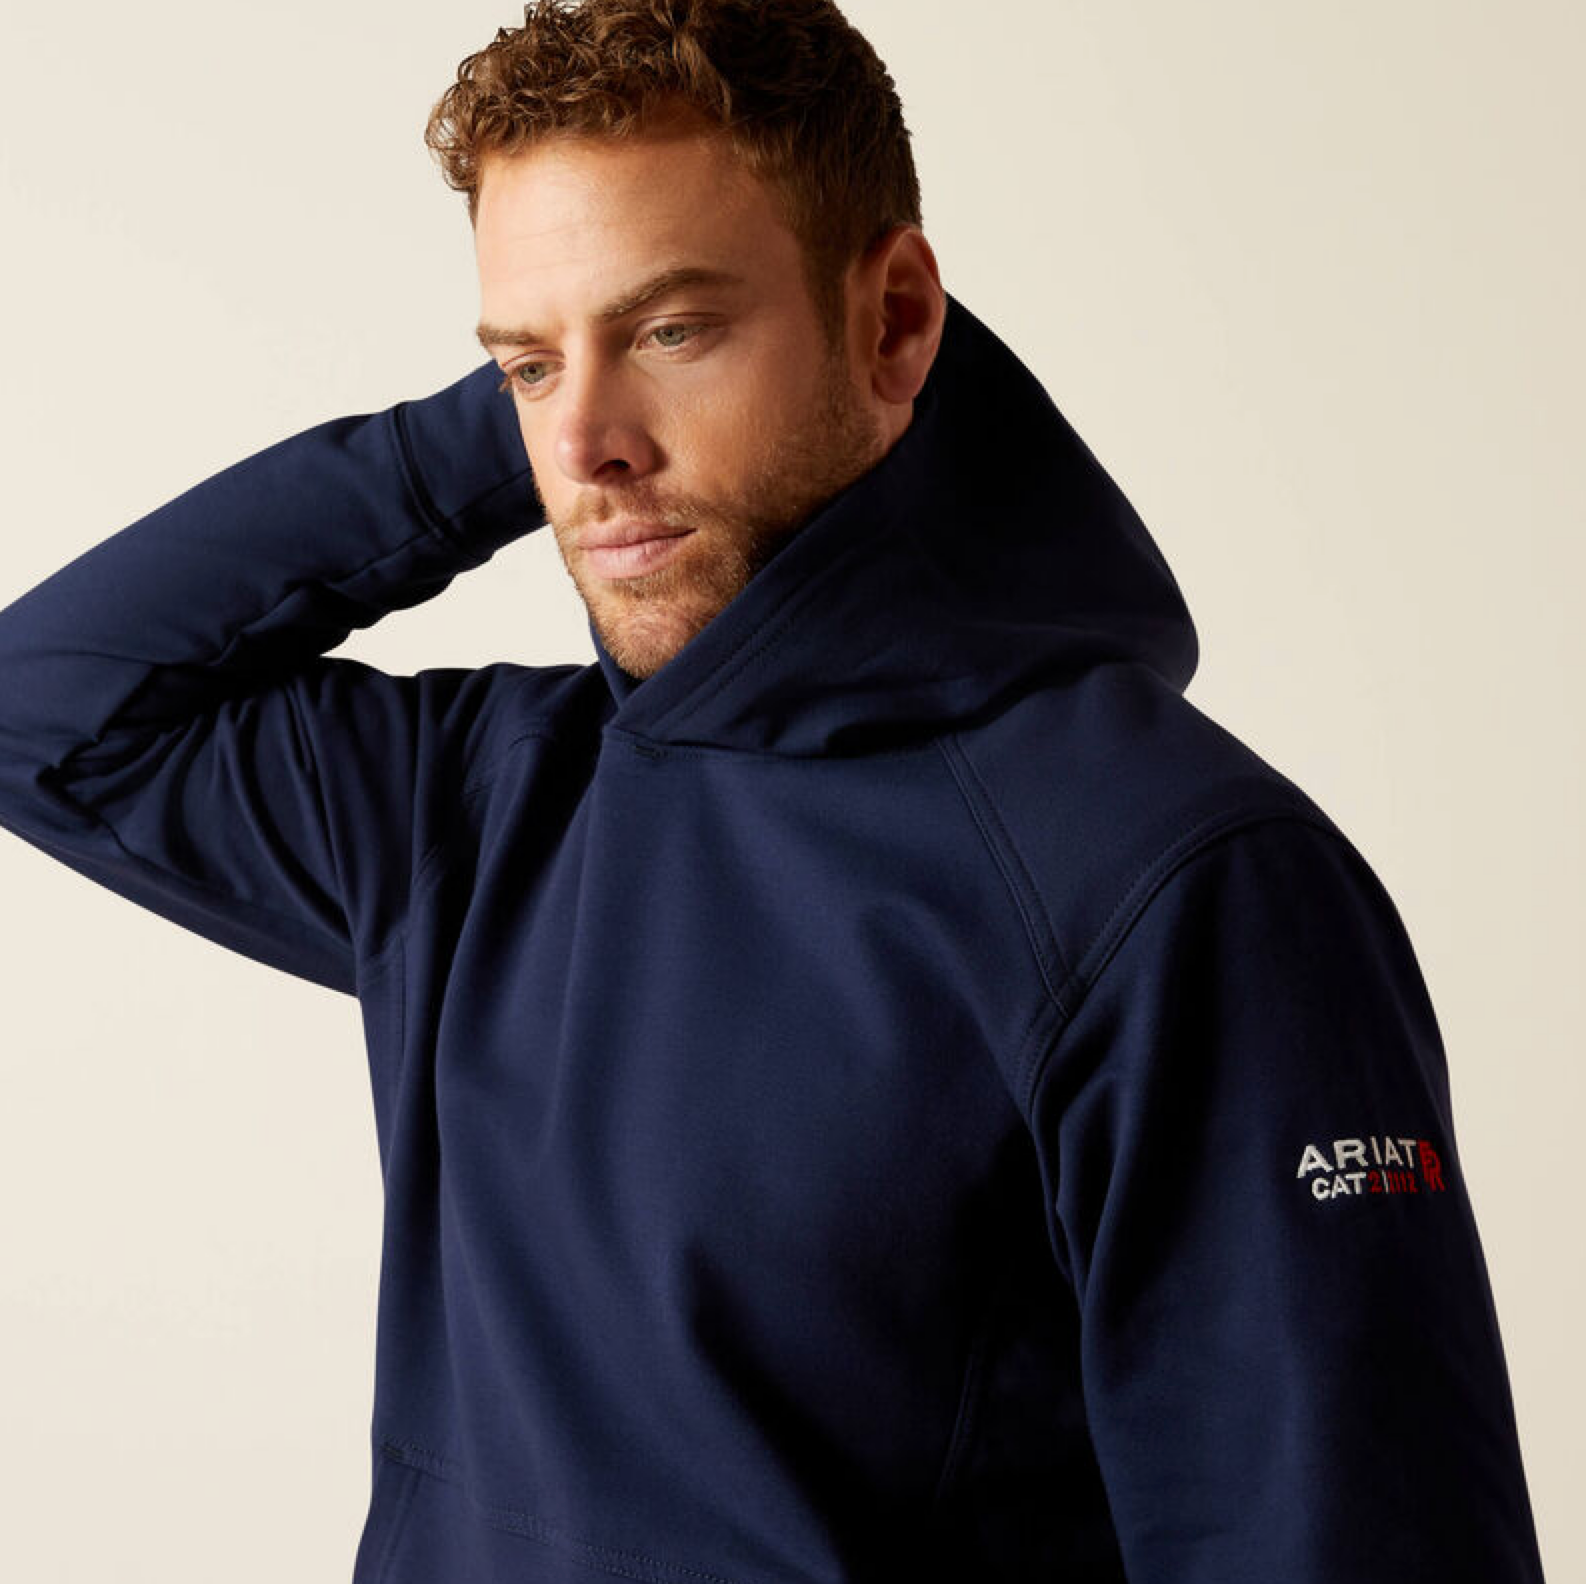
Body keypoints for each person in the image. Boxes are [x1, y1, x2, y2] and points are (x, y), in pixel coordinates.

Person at [0, 0, 1547, 1580]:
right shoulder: (471, 807)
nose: (587, 446)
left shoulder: (1173, 878)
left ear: (894, 322)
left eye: (673, 330)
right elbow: (42, 708)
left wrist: (577, 366)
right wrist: (558, 391)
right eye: (524, 362)